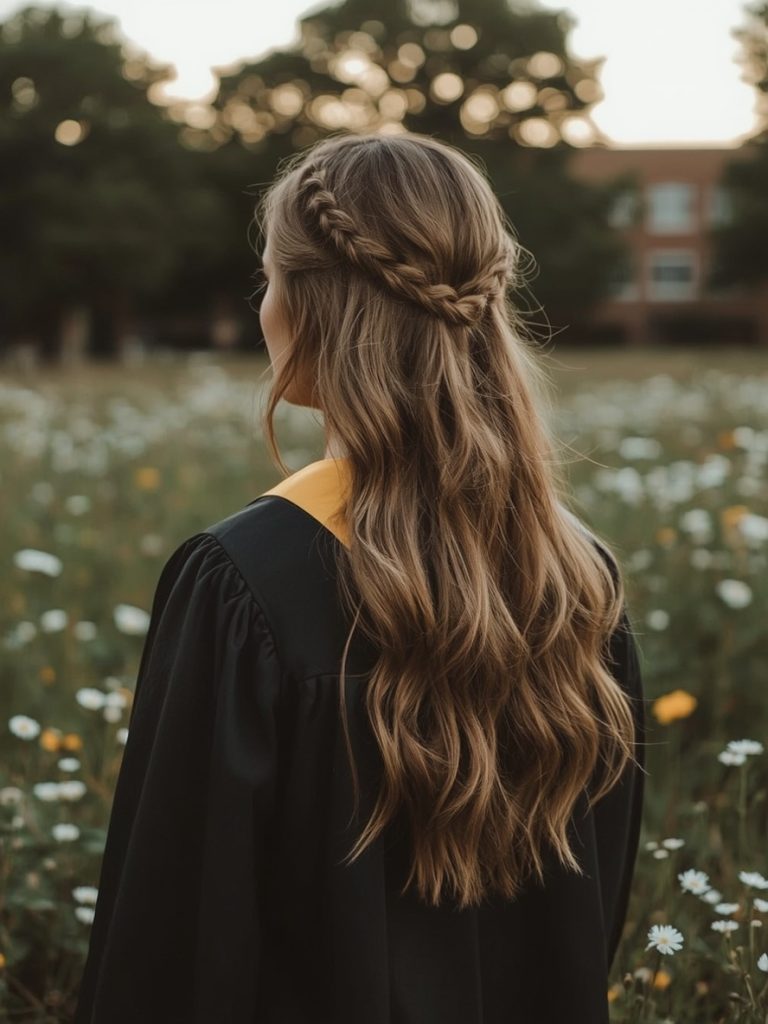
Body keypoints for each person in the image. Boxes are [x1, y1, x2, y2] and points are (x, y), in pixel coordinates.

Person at [73, 130, 647, 1024]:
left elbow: (176, 945)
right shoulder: (578, 585)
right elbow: (589, 916)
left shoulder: (245, 584)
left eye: (269, 277)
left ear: (311, 304)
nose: (263, 304)